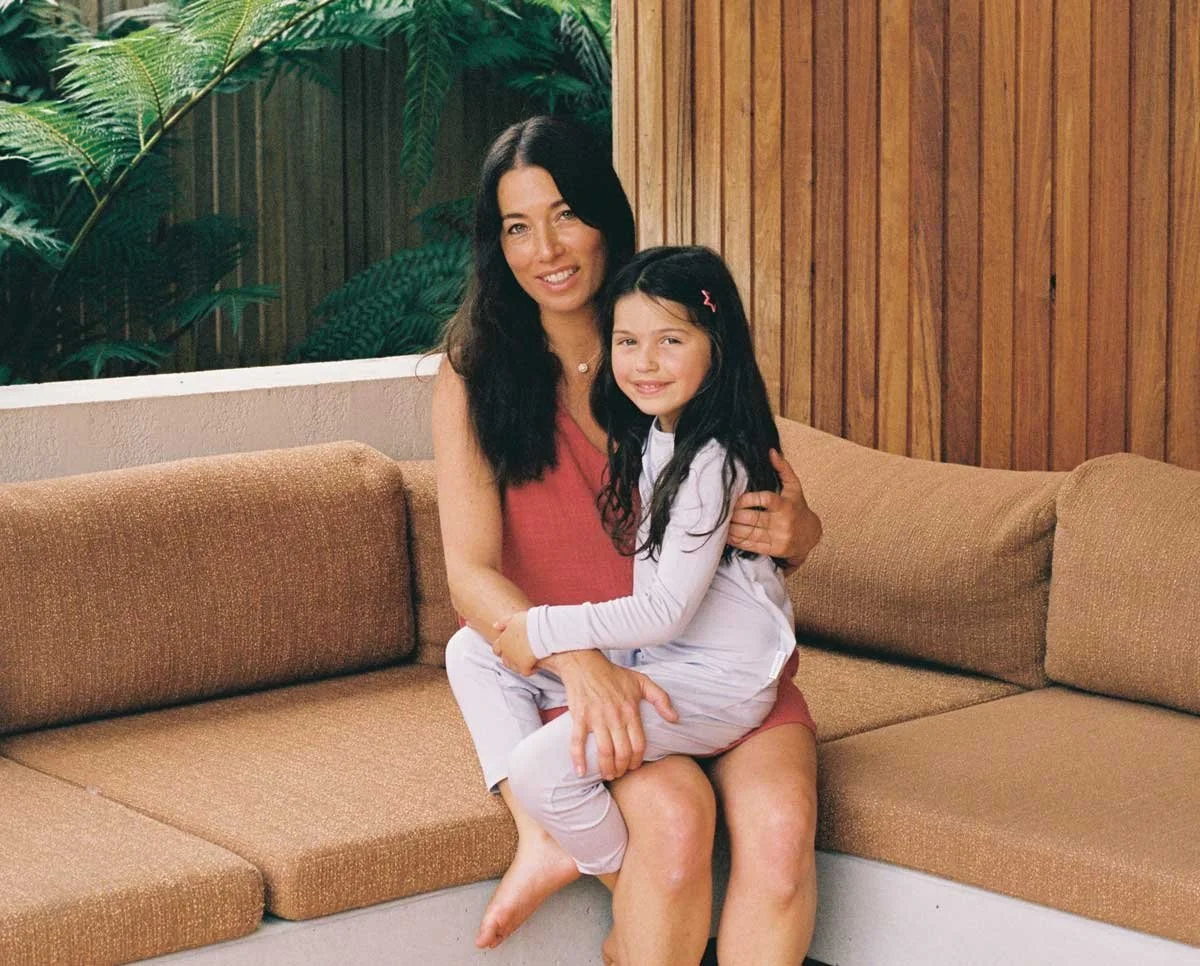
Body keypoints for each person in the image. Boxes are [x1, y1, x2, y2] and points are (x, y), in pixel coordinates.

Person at [435, 116, 823, 966]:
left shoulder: (666, 344)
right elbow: (468, 575)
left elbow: (763, 511)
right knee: (676, 826)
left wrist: (802, 531)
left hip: (715, 665)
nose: (546, 248)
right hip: (601, 673)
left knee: (783, 837)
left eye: (565, 213)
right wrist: (577, 664)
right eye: (516, 226)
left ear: (606, 216)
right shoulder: (476, 377)